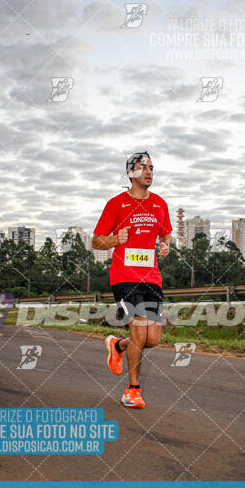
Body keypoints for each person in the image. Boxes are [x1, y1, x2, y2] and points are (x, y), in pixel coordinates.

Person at [92, 151, 172, 408]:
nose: (148, 172)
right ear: (130, 173)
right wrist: (116, 239)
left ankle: (117, 346)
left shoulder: (160, 204)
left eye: (151, 168)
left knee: (152, 339)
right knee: (138, 328)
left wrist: (164, 244)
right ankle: (133, 390)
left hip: (152, 278)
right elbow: (96, 241)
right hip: (125, 276)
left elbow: (166, 234)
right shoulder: (116, 204)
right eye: (142, 167)